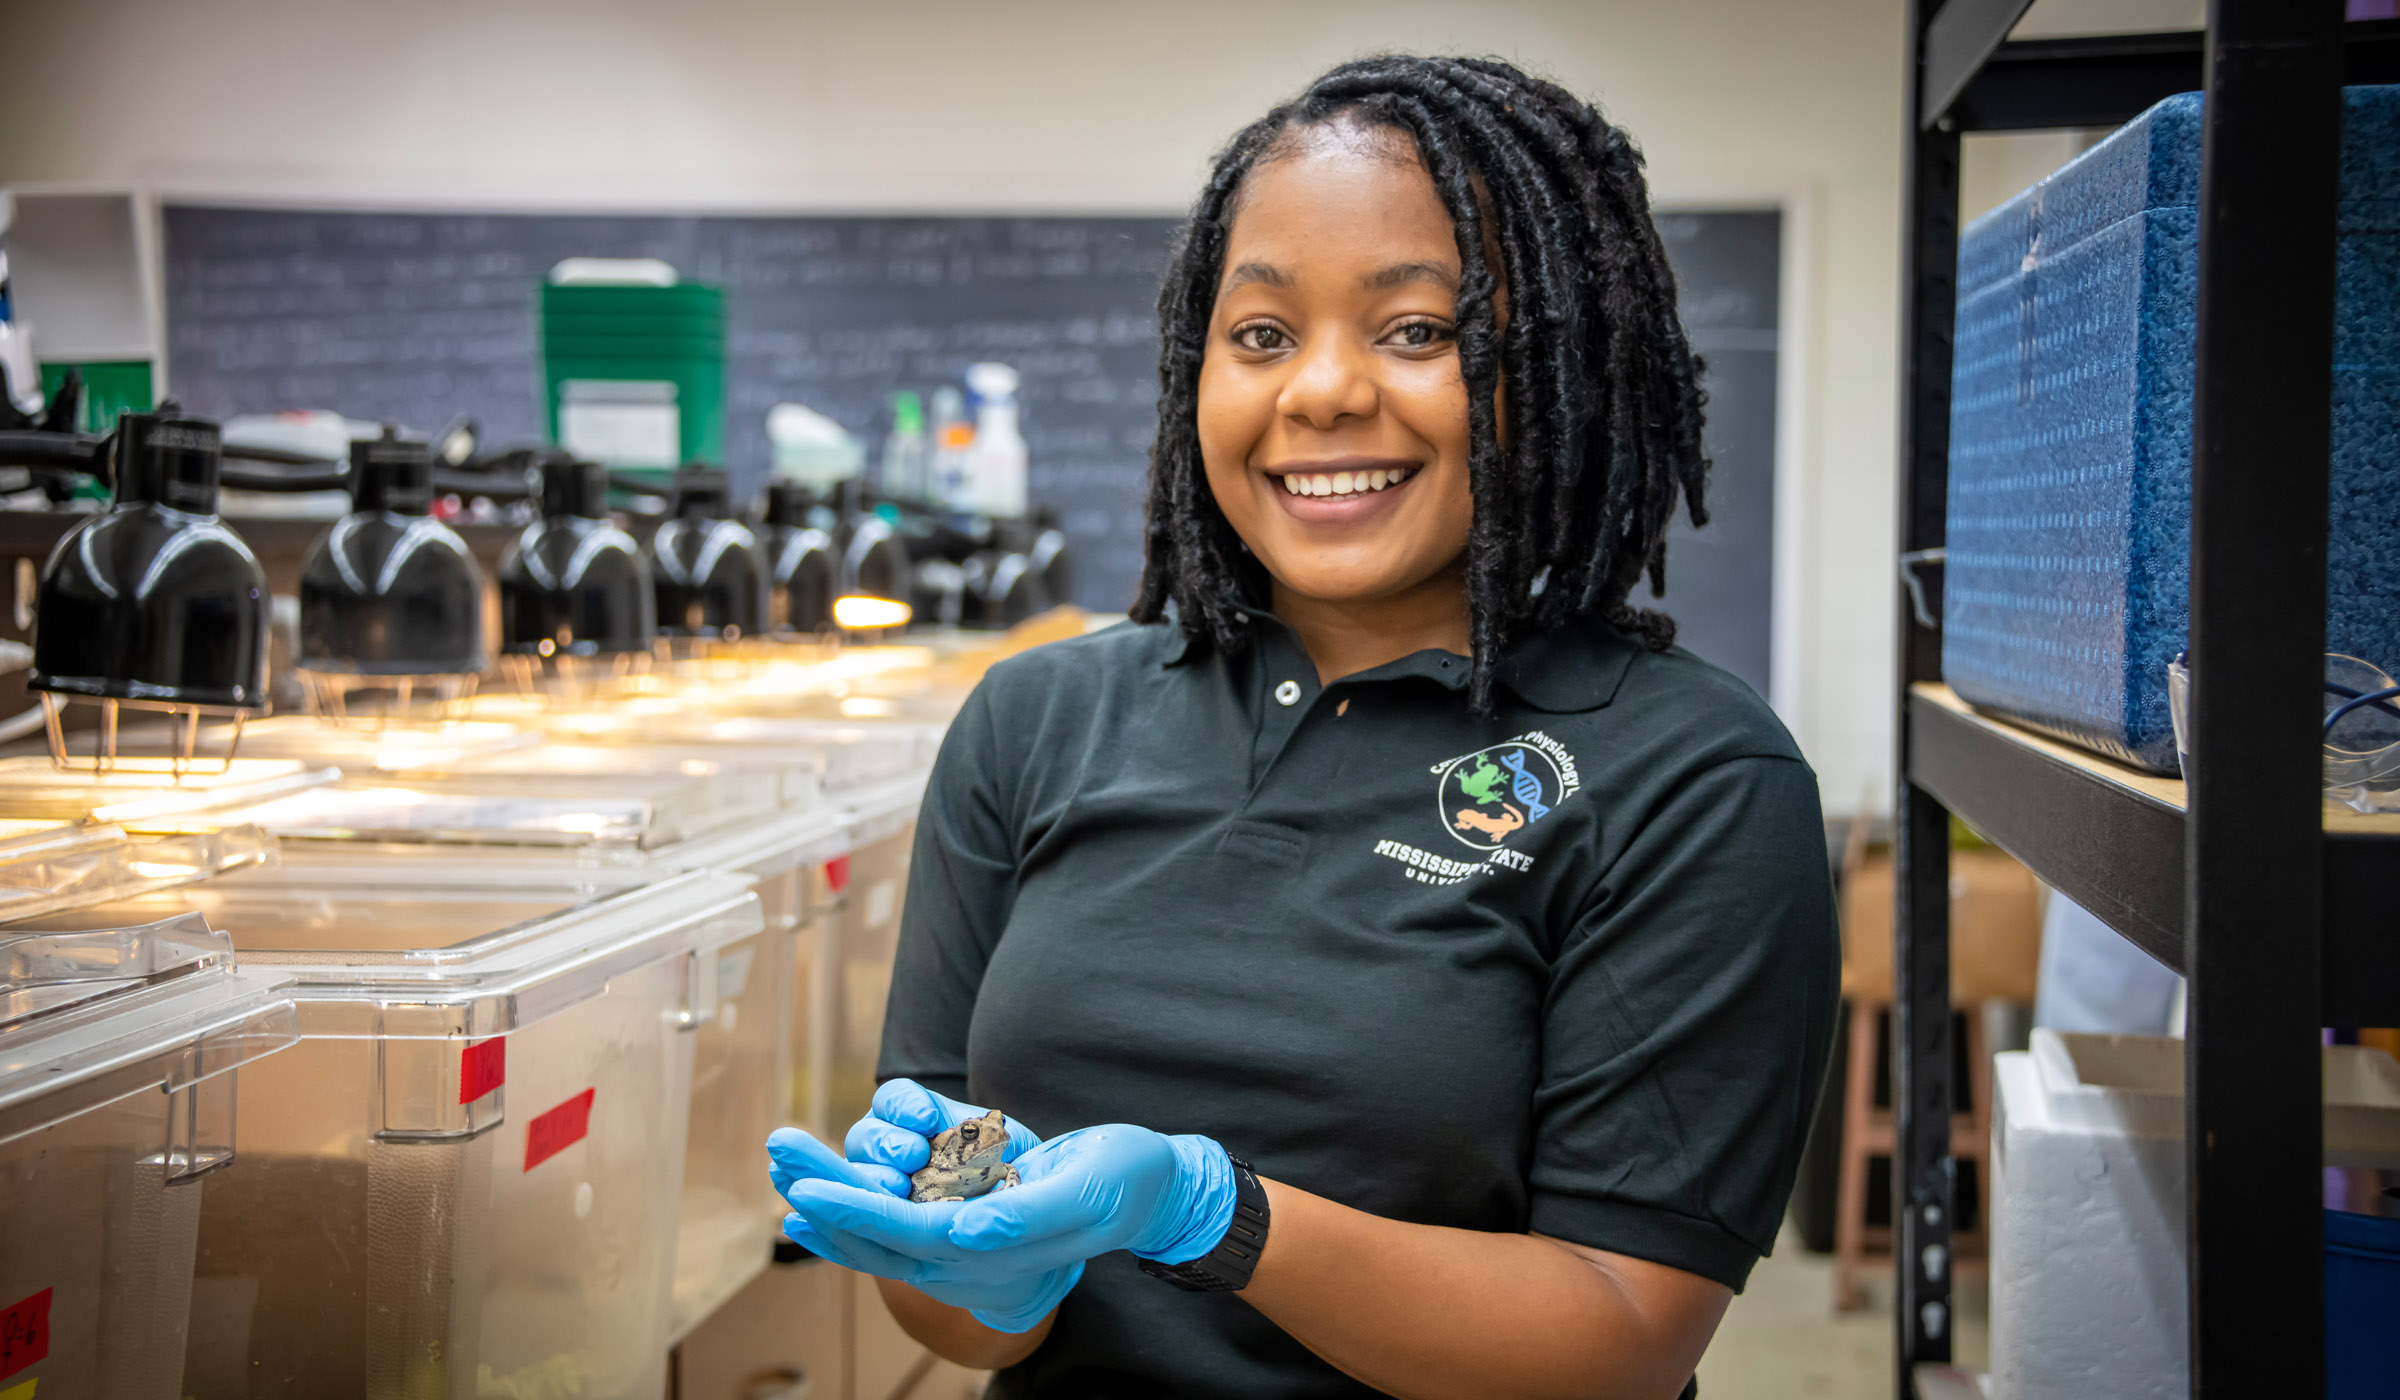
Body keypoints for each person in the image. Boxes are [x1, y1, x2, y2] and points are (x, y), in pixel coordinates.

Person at [767, 55, 1837, 1400]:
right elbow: (962, 1317)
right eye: (1262, 336)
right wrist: (963, 1263)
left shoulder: (1692, 777)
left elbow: (1618, 1335)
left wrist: (1214, 1215)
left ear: (1556, 367)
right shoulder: (1036, 720)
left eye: (1420, 331)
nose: (1320, 392)